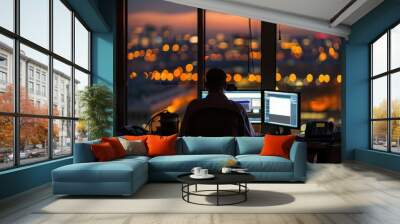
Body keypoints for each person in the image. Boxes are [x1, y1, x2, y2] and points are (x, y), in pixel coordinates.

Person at [180, 68, 255, 136]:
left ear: (206, 86)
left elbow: (183, 134)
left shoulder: (194, 107)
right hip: (229, 151)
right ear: (225, 86)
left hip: (200, 150)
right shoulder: (237, 109)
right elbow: (249, 136)